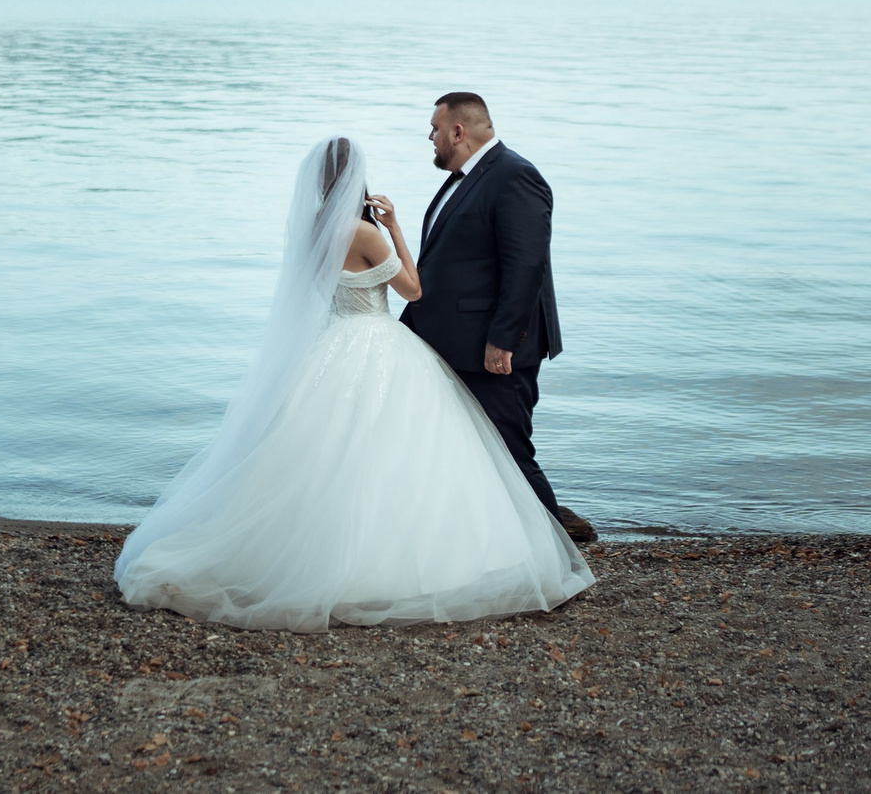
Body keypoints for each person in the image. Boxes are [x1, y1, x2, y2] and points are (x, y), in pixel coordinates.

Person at [114, 136, 592, 631]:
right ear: (356, 179)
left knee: (326, 452)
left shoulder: (315, 231)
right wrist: (395, 227)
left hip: (333, 341)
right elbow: (413, 289)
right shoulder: (365, 234)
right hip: (376, 340)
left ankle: (295, 553)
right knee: (396, 452)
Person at [399, 92, 596, 546]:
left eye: (434, 129)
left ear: (458, 131)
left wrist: (503, 339)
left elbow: (526, 265)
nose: (430, 137)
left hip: (493, 348)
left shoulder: (514, 176)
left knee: (509, 450)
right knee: (472, 448)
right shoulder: (466, 179)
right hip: (456, 340)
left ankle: (556, 550)